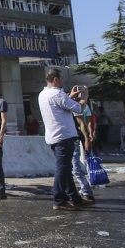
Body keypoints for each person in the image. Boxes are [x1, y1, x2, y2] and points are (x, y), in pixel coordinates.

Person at [37, 68, 91, 212]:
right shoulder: (58, 94)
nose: (63, 81)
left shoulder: (43, 94)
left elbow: (61, 105)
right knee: (62, 170)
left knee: (66, 169)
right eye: (61, 78)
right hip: (64, 137)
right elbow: (79, 109)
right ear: (55, 79)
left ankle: (75, 198)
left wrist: (70, 96)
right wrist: (84, 97)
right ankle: (59, 200)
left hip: (54, 137)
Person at [71, 87, 95, 202]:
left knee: (76, 168)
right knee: (68, 169)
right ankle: (70, 192)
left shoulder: (74, 107)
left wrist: (87, 138)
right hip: (64, 140)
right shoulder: (65, 105)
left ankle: (86, 192)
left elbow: (83, 123)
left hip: (74, 139)